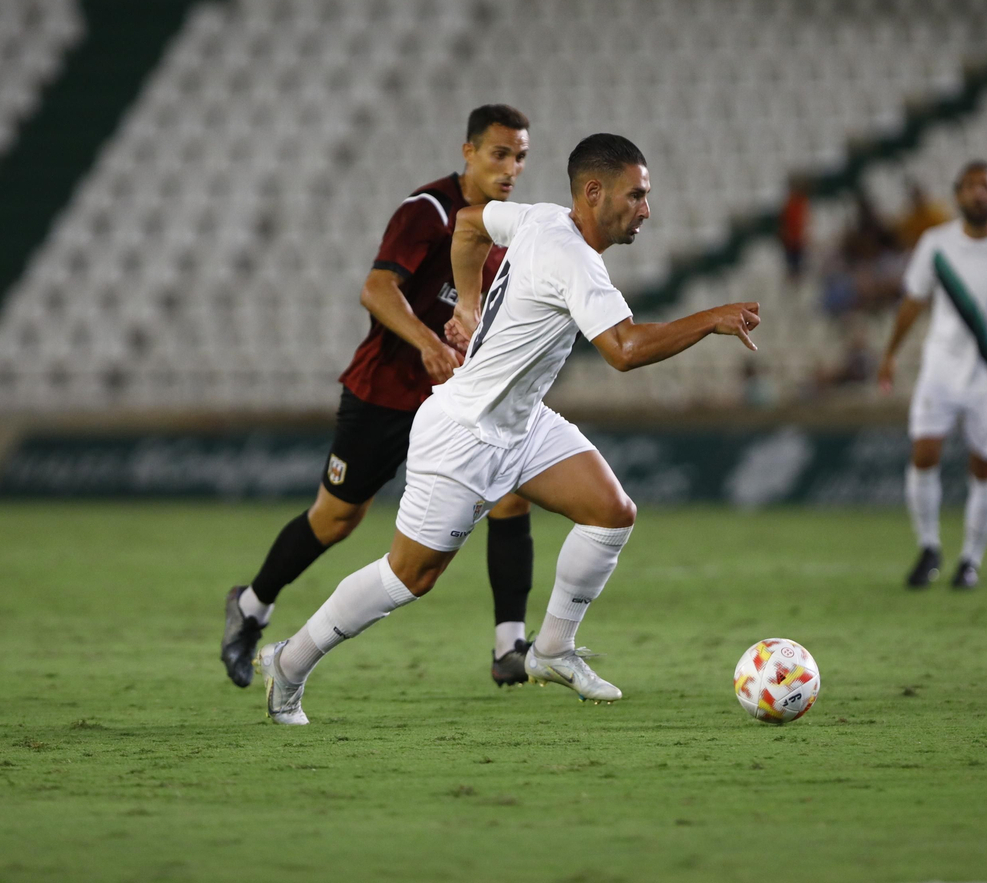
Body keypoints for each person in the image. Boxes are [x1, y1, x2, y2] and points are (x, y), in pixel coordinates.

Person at [256, 133, 761, 724]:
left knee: (611, 512)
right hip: (464, 432)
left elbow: (469, 224)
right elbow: (624, 350)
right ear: (593, 192)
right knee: (409, 576)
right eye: (636, 195)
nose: (645, 209)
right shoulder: (574, 259)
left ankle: (552, 649)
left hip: (521, 423)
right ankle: (289, 661)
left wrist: (466, 304)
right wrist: (711, 318)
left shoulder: (540, 218)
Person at [220, 105, 539, 690]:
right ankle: (251, 607)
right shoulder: (429, 211)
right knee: (336, 519)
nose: (511, 167)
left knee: (511, 495)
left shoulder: (506, 230)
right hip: (386, 392)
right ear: (468, 152)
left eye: (520, 157)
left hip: (453, 402)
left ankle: (509, 647)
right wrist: (427, 342)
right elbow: (376, 288)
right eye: (500, 154)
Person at [877, 160, 987, 590]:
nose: (979, 192)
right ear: (958, 195)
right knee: (924, 453)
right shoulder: (935, 244)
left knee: (985, 466)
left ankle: (971, 560)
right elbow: (913, 301)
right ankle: (929, 547)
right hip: (941, 368)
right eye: (971, 185)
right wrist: (891, 353)